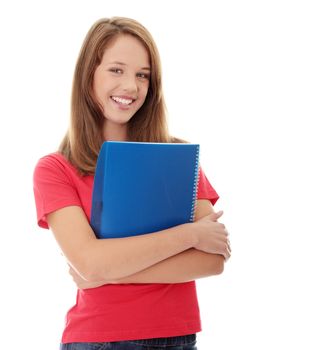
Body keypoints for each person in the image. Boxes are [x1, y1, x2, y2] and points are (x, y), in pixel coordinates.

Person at [33, 17, 231, 350]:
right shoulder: (56, 169)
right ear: (88, 76)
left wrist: (108, 271)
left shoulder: (180, 158)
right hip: (100, 340)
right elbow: (89, 262)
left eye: (142, 75)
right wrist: (190, 235)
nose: (131, 86)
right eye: (116, 70)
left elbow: (212, 260)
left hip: (179, 339)